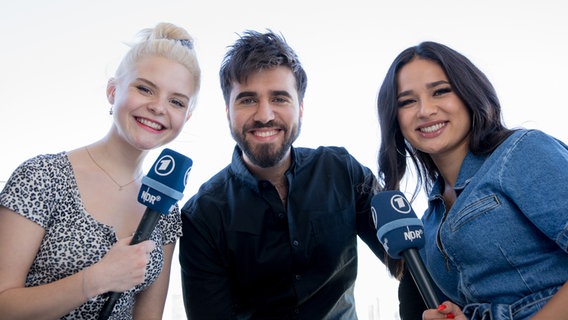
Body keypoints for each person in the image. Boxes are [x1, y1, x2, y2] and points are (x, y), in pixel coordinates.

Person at [179, 30, 387, 319]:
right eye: (248, 100)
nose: (265, 114)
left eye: (279, 98)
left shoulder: (342, 170)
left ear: (300, 108)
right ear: (227, 111)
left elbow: (408, 260)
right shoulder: (201, 215)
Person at [0, 22, 200, 319]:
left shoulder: (166, 209)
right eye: (145, 88)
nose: (159, 107)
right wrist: (98, 278)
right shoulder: (41, 176)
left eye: (176, 101)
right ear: (112, 90)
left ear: (187, 115)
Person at [376, 40, 568, 320]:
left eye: (440, 91)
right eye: (407, 101)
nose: (425, 110)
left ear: (469, 93)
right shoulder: (429, 223)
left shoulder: (522, 151)